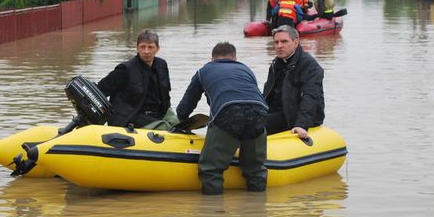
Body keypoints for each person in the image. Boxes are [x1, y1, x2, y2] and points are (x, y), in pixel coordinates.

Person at [176, 42, 268, 195]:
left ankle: (214, 214)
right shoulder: (246, 69)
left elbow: (187, 104)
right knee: (256, 170)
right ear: (235, 58)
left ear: (211, 59)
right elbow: (248, 95)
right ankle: (258, 211)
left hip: (228, 113)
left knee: (211, 170)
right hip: (260, 112)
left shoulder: (204, 71)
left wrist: (181, 122)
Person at [97, 29, 179, 129]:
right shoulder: (125, 70)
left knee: (177, 125)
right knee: (165, 127)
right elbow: (100, 90)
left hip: (156, 113)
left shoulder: (162, 65)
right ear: (137, 48)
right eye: (143, 47)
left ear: (157, 49)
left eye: (150, 47)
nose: (146, 51)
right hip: (130, 117)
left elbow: (165, 97)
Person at [263, 25, 324, 139]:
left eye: (284, 41)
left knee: (257, 125)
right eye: (276, 42)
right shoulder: (276, 64)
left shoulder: (310, 66)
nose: (279, 46)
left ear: (296, 42)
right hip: (279, 112)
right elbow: (267, 94)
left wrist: (301, 124)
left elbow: (311, 96)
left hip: (294, 116)